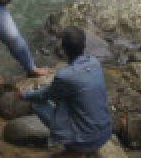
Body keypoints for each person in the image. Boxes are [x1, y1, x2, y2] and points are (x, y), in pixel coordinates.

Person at [20, 27, 112, 156]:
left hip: (83, 141)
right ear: (84, 45)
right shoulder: (95, 62)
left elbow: (43, 95)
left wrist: (24, 94)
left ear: (63, 50)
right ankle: (91, 147)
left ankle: (74, 149)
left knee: (37, 103)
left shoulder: (65, 76)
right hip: (105, 133)